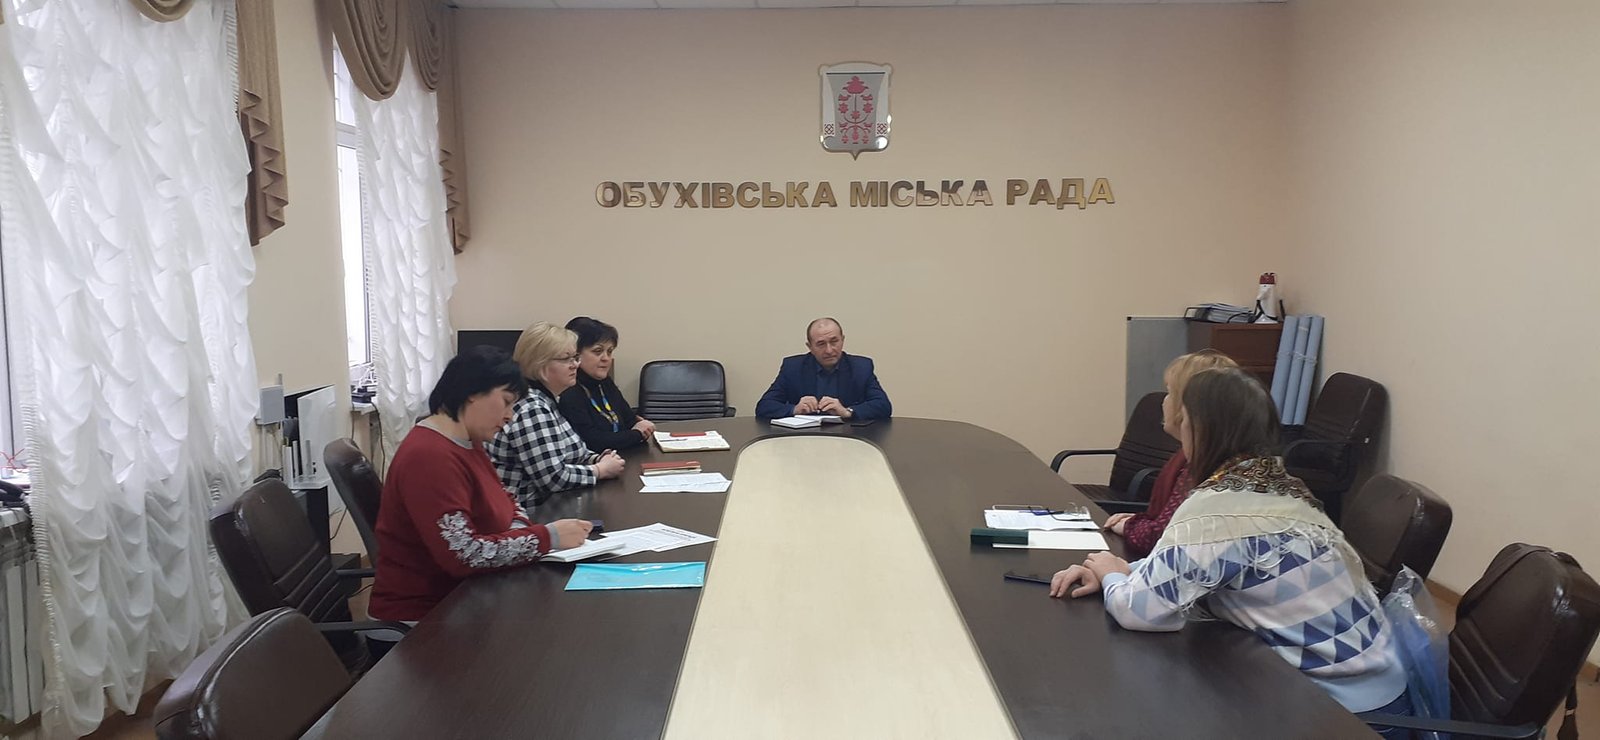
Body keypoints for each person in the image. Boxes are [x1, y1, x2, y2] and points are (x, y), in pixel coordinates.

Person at [1048, 368, 1411, 723]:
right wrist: (1122, 570)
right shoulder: (1279, 486)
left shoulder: (1217, 509)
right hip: (1377, 685)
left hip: (1345, 713)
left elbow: (1140, 612)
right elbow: (1192, 562)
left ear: (1200, 430)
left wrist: (1112, 577)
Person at [369, 346, 594, 621]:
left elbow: (507, 497)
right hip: (425, 619)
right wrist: (548, 537)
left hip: (468, 598)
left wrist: (517, 531)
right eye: (506, 402)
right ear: (473, 391)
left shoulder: (468, 441)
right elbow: (464, 555)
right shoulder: (429, 456)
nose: (510, 415)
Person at [1103, 350, 1238, 558]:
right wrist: (1140, 521)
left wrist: (1130, 527)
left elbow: (1163, 536)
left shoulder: (1200, 466)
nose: (1163, 401)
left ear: (1188, 407)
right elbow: (1168, 523)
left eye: (1169, 393)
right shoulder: (1199, 455)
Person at [486, 322, 627, 505]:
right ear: (540, 364)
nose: (575, 365)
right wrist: (600, 470)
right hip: (529, 511)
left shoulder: (547, 400)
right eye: (566, 359)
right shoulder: (532, 407)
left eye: (575, 357)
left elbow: (574, 454)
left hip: (555, 504)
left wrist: (600, 458)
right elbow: (553, 478)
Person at [754, 317, 891, 420]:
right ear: (810, 347)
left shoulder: (861, 367)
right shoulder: (793, 367)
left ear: (842, 340)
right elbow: (764, 406)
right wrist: (795, 409)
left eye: (834, 341)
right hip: (804, 439)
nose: (829, 350)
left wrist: (847, 412)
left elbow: (883, 406)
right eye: (821, 344)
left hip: (848, 437)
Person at [556, 316, 655, 453]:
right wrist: (636, 434)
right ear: (576, 354)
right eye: (597, 351)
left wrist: (637, 428)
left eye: (609, 351)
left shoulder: (604, 382)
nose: (606, 358)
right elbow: (592, 442)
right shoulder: (568, 390)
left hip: (619, 457)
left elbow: (630, 420)